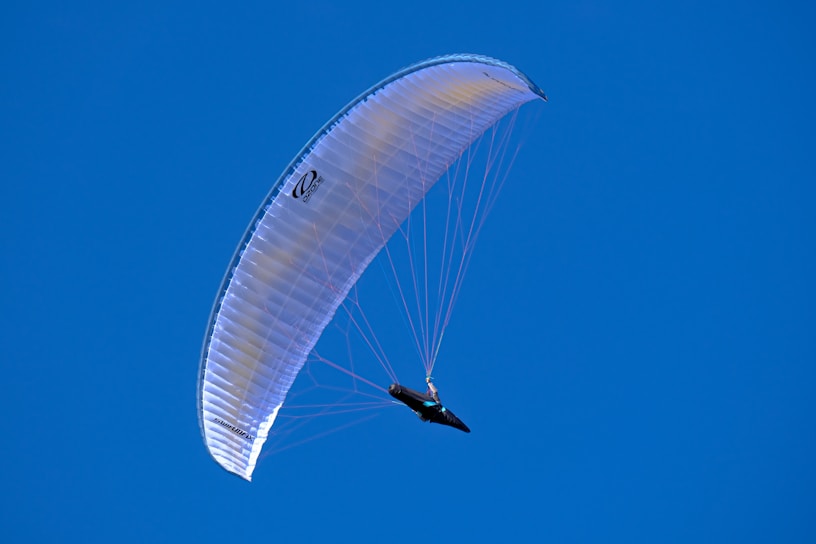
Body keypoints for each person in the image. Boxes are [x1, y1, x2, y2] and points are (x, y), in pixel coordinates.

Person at [387, 377, 470, 433]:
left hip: (427, 408)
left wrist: (429, 383)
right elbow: (435, 392)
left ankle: (398, 392)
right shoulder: (435, 404)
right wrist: (429, 383)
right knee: (412, 401)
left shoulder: (435, 403)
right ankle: (399, 392)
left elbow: (435, 392)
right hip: (426, 409)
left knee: (412, 401)